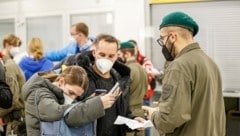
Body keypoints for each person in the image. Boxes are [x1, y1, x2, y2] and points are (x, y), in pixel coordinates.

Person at [142, 11, 226, 136]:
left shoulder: (178, 66)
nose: (162, 45)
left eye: (162, 39)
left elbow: (167, 121)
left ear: (172, 37)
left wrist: (152, 113)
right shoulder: (210, 63)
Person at [73, 34, 145, 136]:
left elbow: (123, 113)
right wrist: (97, 105)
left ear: (116, 56)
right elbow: (71, 114)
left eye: (111, 56)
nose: (106, 59)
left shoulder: (121, 81)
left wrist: (133, 120)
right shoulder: (81, 79)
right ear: (94, 52)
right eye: (102, 55)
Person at [22, 65, 120, 135]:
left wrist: (90, 101)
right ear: (61, 81)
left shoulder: (56, 93)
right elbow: (55, 112)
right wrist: (97, 105)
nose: (72, 99)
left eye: (76, 96)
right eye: (71, 93)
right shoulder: (40, 92)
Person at [118, 41, 148, 136]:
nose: (118, 57)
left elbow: (121, 94)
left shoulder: (125, 70)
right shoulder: (142, 69)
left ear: (126, 54)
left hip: (129, 114)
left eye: (119, 54)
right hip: (140, 112)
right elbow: (146, 90)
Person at [0, 34, 26, 135]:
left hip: (14, 122)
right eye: (15, 45)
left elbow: (12, 99)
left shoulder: (9, 66)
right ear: (7, 45)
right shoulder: (9, 64)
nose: (17, 49)